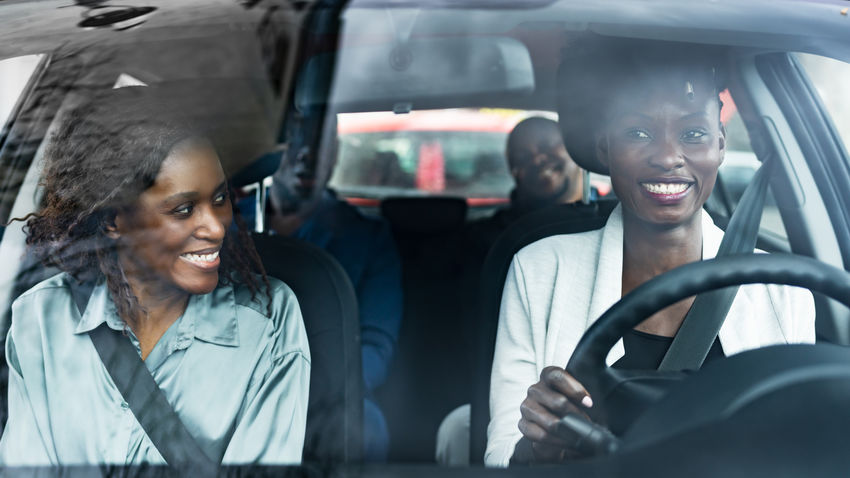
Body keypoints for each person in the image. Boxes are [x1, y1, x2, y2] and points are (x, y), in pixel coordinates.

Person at [486, 38, 815, 466]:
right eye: (638, 132)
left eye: (693, 134)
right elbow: (498, 459)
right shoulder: (539, 270)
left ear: (719, 144)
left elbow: (799, 455)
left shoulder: (782, 290)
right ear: (605, 147)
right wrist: (540, 444)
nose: (667, 157)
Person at [0, 88, 310, 466]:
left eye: (219, 198)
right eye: (183, 209)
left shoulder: (268, 323)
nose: (215, 228)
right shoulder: (40, 319)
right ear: (114, 220)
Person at [263, 122, 403, 462]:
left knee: (362, 425)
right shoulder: (228, 225)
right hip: (240, 381)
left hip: (330, 395)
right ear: (270, 152)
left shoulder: (366, 238)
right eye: (295, 140)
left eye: (321, 143)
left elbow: (374, 347)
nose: (308, 155)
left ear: (335, 155)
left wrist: (305, 393)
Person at [466, 116, 589, 252]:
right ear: (513, 170)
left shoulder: (612, 215)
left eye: (546, 146)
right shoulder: (491, 238)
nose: (536, 160)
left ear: (575, 150)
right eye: (522, 156)